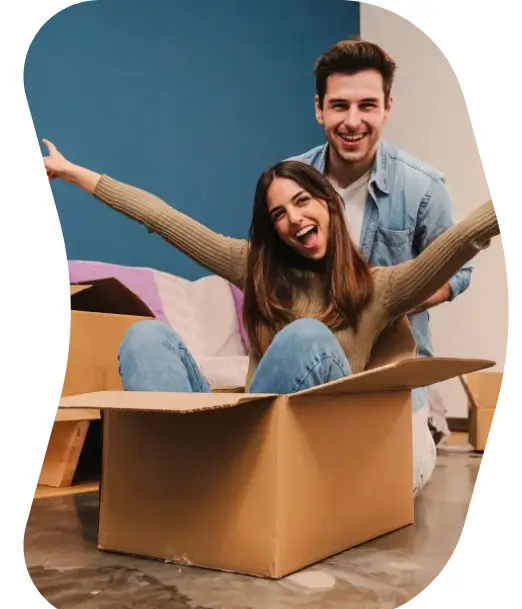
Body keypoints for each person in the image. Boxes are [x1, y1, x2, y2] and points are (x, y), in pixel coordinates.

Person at [42, 139, 499, 495]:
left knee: (305, 337)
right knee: (145, 336)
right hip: (231, 440)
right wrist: (73, 172)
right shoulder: (254, 268)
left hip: (307, 450)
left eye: (302, 201)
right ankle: (184, 478)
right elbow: (163, 219)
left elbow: (455, 245)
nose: (292, 218)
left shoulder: (377, 289)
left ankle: (212, 476)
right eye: (278, 213)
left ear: (327, 204)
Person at [286, 39, 472, 418]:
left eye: (367, 105)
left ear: (387, 108)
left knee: (397, 473)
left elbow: (459, 272)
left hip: (398, 377)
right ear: (319, 109)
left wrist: (393, 300)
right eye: (339, 105)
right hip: (311, 372)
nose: (353, 121)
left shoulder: (423, 187)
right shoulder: (287, 185)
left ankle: (428, 429)